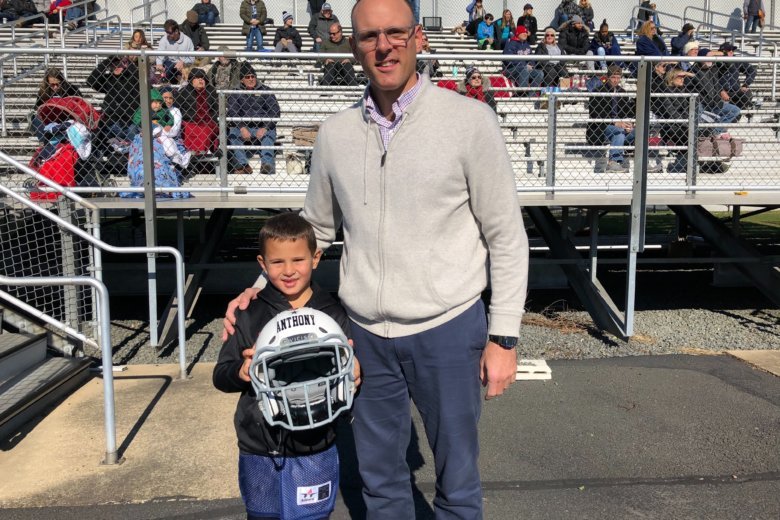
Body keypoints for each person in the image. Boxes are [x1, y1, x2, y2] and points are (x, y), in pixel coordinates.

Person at [224, 1, 529, 518]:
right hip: (364, 333)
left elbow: (506, 236)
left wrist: (504, 337)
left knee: (458, 484)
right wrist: (258, 290)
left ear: (418, 38)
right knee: (380, 483)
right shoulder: (335, 134)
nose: (383, 46)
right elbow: (315, 229)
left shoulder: (469, 122)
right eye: (369, 36)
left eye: (394, 33)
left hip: (448, 328)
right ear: (353, 46)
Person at [214, 211, 357, 520]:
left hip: (315, 445)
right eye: (277, 262)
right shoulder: (249, 313)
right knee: (262, 516)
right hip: (259, 445)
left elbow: (353, 377)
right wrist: (241, 371)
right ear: (263, 264)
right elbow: (220, 375)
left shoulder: (333, 314)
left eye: (298, 260)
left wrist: (357, 374)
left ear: (316, 258)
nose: (289, 270)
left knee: (311, 517)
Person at [227, 63, 281, 175]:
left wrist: (265, 127)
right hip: (244, 126)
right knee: (233, 133)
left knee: (269, 133)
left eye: (253, 76)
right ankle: (243, 165)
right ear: (242, 80)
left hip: (262, 126)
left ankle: (267, 165)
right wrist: (242, 128)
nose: (251, 79)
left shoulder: (265, 90)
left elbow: (275, 111)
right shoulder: (235, 92)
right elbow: (233, 112)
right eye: (247, 77)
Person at [586, 65, 639, 172]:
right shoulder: (598, 92)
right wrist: (615, 123)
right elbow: (596, 114)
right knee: (619, 131)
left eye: (618, 77)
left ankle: (642, 162)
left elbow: (628, 112)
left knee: (638, 131)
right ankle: (613, 162)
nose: (616, 80)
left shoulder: (622, 92)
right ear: (608, 77)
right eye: (613, 77)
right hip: (601, 128)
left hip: (620, 129)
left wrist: (630, 123)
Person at [87, 55, 140, 153]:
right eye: (114, 64)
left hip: (130, 122)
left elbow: (139, 77)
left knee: (134, 137)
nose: (117, 66)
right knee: (100, 133)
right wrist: (107, 61)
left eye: (120, 64)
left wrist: (128, 63)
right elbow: (91, 81)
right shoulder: (109, 79)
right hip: (111, 122)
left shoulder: (132, 78)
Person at [132, 89, 191, 167]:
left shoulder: (166, 110)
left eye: (160, 103)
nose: (158, 105)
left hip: (162, 133)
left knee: (169, 146)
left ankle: (179, 158)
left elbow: (171, 120)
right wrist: (144, 124)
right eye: (165, 98)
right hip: (148, 130)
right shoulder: (143, 110)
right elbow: (136, 118)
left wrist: (168, 125)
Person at [690, 50, 741, 136]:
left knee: (735, 110)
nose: (710, 59)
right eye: (708, 57)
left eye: (712, 57)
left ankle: (714, 132)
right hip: (702, 104)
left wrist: (723, 54)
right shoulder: (693, 71)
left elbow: (728, 65)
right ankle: (699, 134)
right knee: (697, 108)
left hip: (715, 104)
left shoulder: (714, 69)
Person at [31, 67, 82, 142]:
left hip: (67, 117)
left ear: (62, 81)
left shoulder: (71, 89)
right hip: (49, 118)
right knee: (35, 118)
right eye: (52, 85)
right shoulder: (43, 92)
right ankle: (44, 141)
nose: (55, 87)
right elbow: (38, 107)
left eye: (58, 84)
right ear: (47, 83)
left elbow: (80, 104)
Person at [177, 67, 219, 152]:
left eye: (203, 78)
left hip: (208, 123)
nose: (200, 80)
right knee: (191, 129)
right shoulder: (184, 92)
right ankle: (193, 153)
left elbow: (216, 109)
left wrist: (213, 121)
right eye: (197, 77)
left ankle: (200, 154)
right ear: (191, 80)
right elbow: (177, 109)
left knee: (204, 131)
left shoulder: (211, 91)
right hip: (190, 122)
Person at [503, 25, 543, 94]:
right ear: (518, 33)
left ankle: (531, 95)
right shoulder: (511, 43)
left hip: (524, 70)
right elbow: (508, 60)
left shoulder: (527, 45)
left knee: (540, 73)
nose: (525, 34)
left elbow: (531, 58)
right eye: (523, 32)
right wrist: (524, 65)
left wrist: (531, 65)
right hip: (511, 69)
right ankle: (522, 94)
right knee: (524, 68)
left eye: (526, 32)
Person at [155, 19, 195, 84]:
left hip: (183, 67)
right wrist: (159, 64)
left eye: (169, 32)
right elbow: (160, 56)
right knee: (169, 65)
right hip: (169, 66)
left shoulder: (187, 41)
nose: (167, 34)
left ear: (176, 31)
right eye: (166, 32)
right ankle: (165, 83)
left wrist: (183, 62)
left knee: (185, 71)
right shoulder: (164, 39)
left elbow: (192, 59)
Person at [718, 42, 755, 109]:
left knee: (747, 93)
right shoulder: (716, 61)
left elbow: (752, 70)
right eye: (728, 50)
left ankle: (737, 111)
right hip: (719, 92)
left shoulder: (736, 61)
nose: (731, 51)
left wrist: (745, 84)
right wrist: (720, 90)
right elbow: (711, 80)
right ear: (722, 51)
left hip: (735, 91)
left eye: (732, 50)